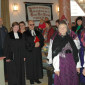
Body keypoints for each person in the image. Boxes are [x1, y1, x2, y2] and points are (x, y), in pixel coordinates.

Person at [47, 20, 81, 85]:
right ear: (58, 29)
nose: (62, 29)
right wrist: (56, 68)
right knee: (63, 80)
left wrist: (78, 65)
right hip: (61, 63)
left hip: (71, 62)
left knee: (72, 79)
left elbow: (75, 52)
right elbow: (55, 55)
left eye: (64, 27)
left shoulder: (70, 38)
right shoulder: (56, 40)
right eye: (60, 28)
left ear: (66, 29)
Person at [23, 20, 44, 85]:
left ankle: (36, 78)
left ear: (34, 25)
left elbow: (42, 40)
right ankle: (31, 79)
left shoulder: (38, 32)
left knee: (37, 65)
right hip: (30, 52)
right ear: (28, 25)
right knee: (30, 66)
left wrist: (39, 43)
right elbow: (24, 43)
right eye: (30, 24)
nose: (32, 26)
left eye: (33, 24)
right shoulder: (25, 33)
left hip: (37, 52)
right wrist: (33, 45)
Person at [0, 18, 8, 83]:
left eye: (1, 21)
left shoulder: (5, 29)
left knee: (5, 64)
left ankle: (5, 77)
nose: (0, 22)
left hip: (5, 49)